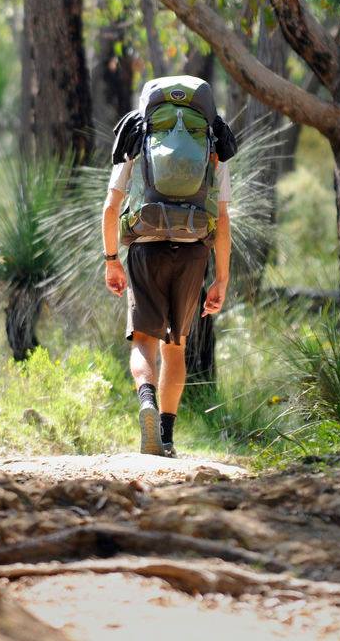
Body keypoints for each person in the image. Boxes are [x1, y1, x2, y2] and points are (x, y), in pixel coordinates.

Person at [102, 81, 232, 458]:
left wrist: (112, 260)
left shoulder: (138, 139)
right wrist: (220, 279)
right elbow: (222, 220)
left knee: (144, 340)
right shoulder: (212, 147)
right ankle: (168, 436)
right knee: (176, 346)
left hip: (145, 248)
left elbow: (111, 209)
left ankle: (147, 402)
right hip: (193, 251)